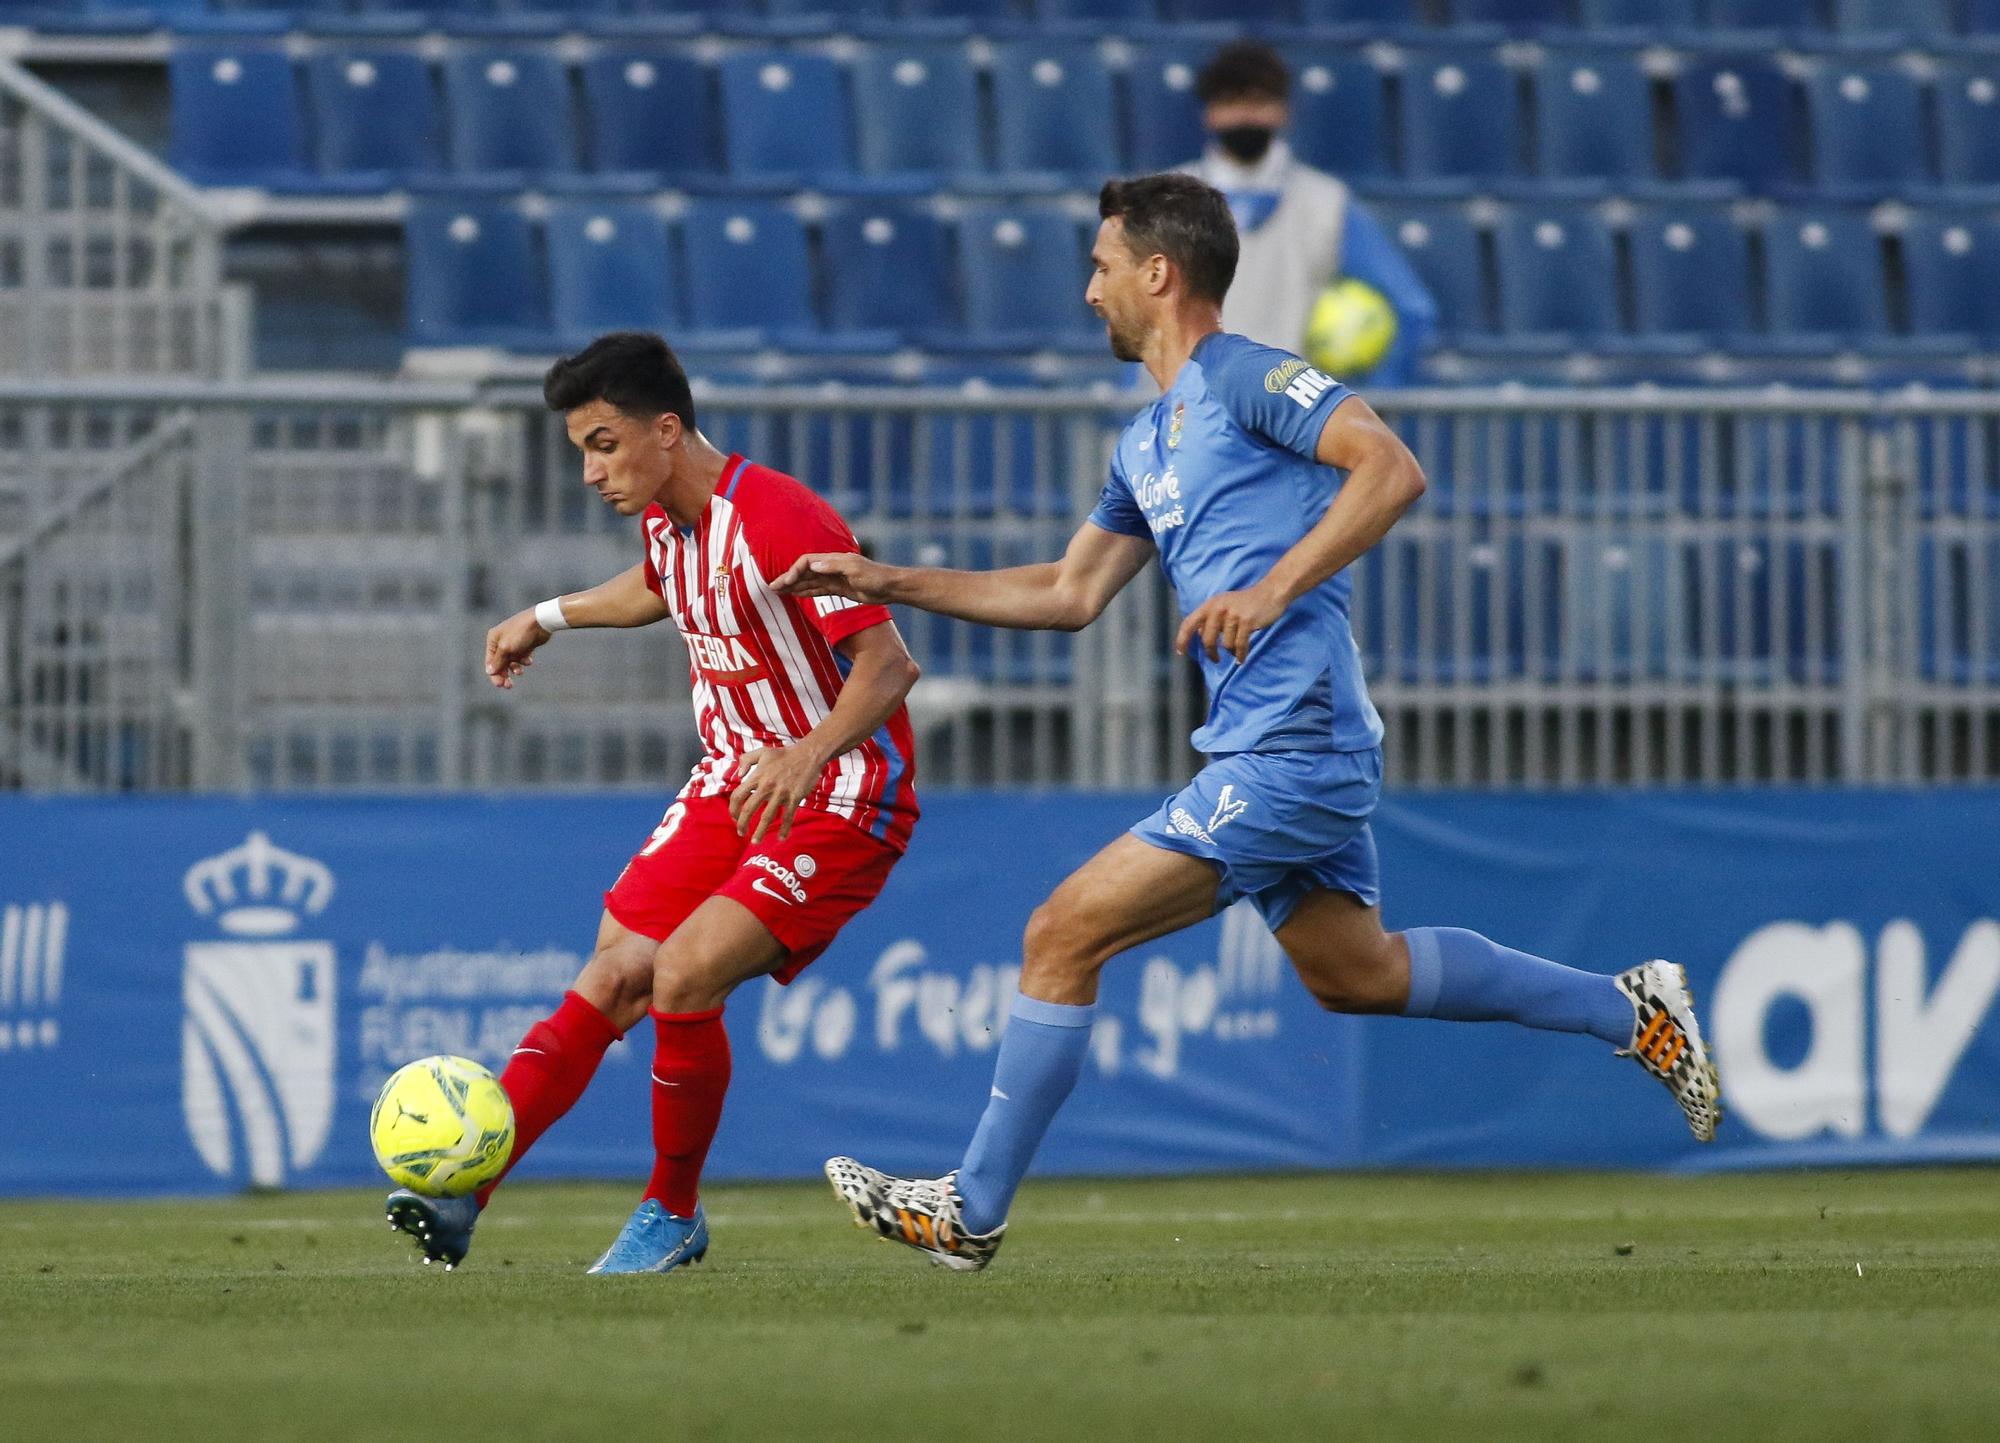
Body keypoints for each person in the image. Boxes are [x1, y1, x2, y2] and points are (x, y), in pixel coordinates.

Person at [776, 174, 1719, 1273]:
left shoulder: (1248, 378)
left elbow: (1390, 469)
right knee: (1351, 973)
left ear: (1156, 274)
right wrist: (886, 578)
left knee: (1058, 932)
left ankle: (968, 1210)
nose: (1088, 292)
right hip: (1265, 743)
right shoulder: (1143, 442)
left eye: (1099, 266)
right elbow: (1067, 595)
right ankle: (1628, 1010)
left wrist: (1271, 588)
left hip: (1293, 744)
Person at [385, 331, 922, 1274]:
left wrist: (806, 751)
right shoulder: (670, 522)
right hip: (731, 781)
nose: (591, 471)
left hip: (838, 789)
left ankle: (672, 1210)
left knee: (682, 975)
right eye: (581, 450)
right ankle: (471, 1189)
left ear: (665, 429)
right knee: (612, 975)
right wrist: (545, 617)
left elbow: (889, 665)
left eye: (603, 443)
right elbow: (658, 587)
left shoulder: (781, 516)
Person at [1183, 41, 1436, 387]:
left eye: (1259, 102)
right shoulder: (1166, 202)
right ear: (1209, 114)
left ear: (1284, 111)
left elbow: (1411, 309)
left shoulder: (1327, 204)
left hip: (1288, 426)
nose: (1245, 116)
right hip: (1186, 420)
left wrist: (1370, 407)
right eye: (1231, 103)